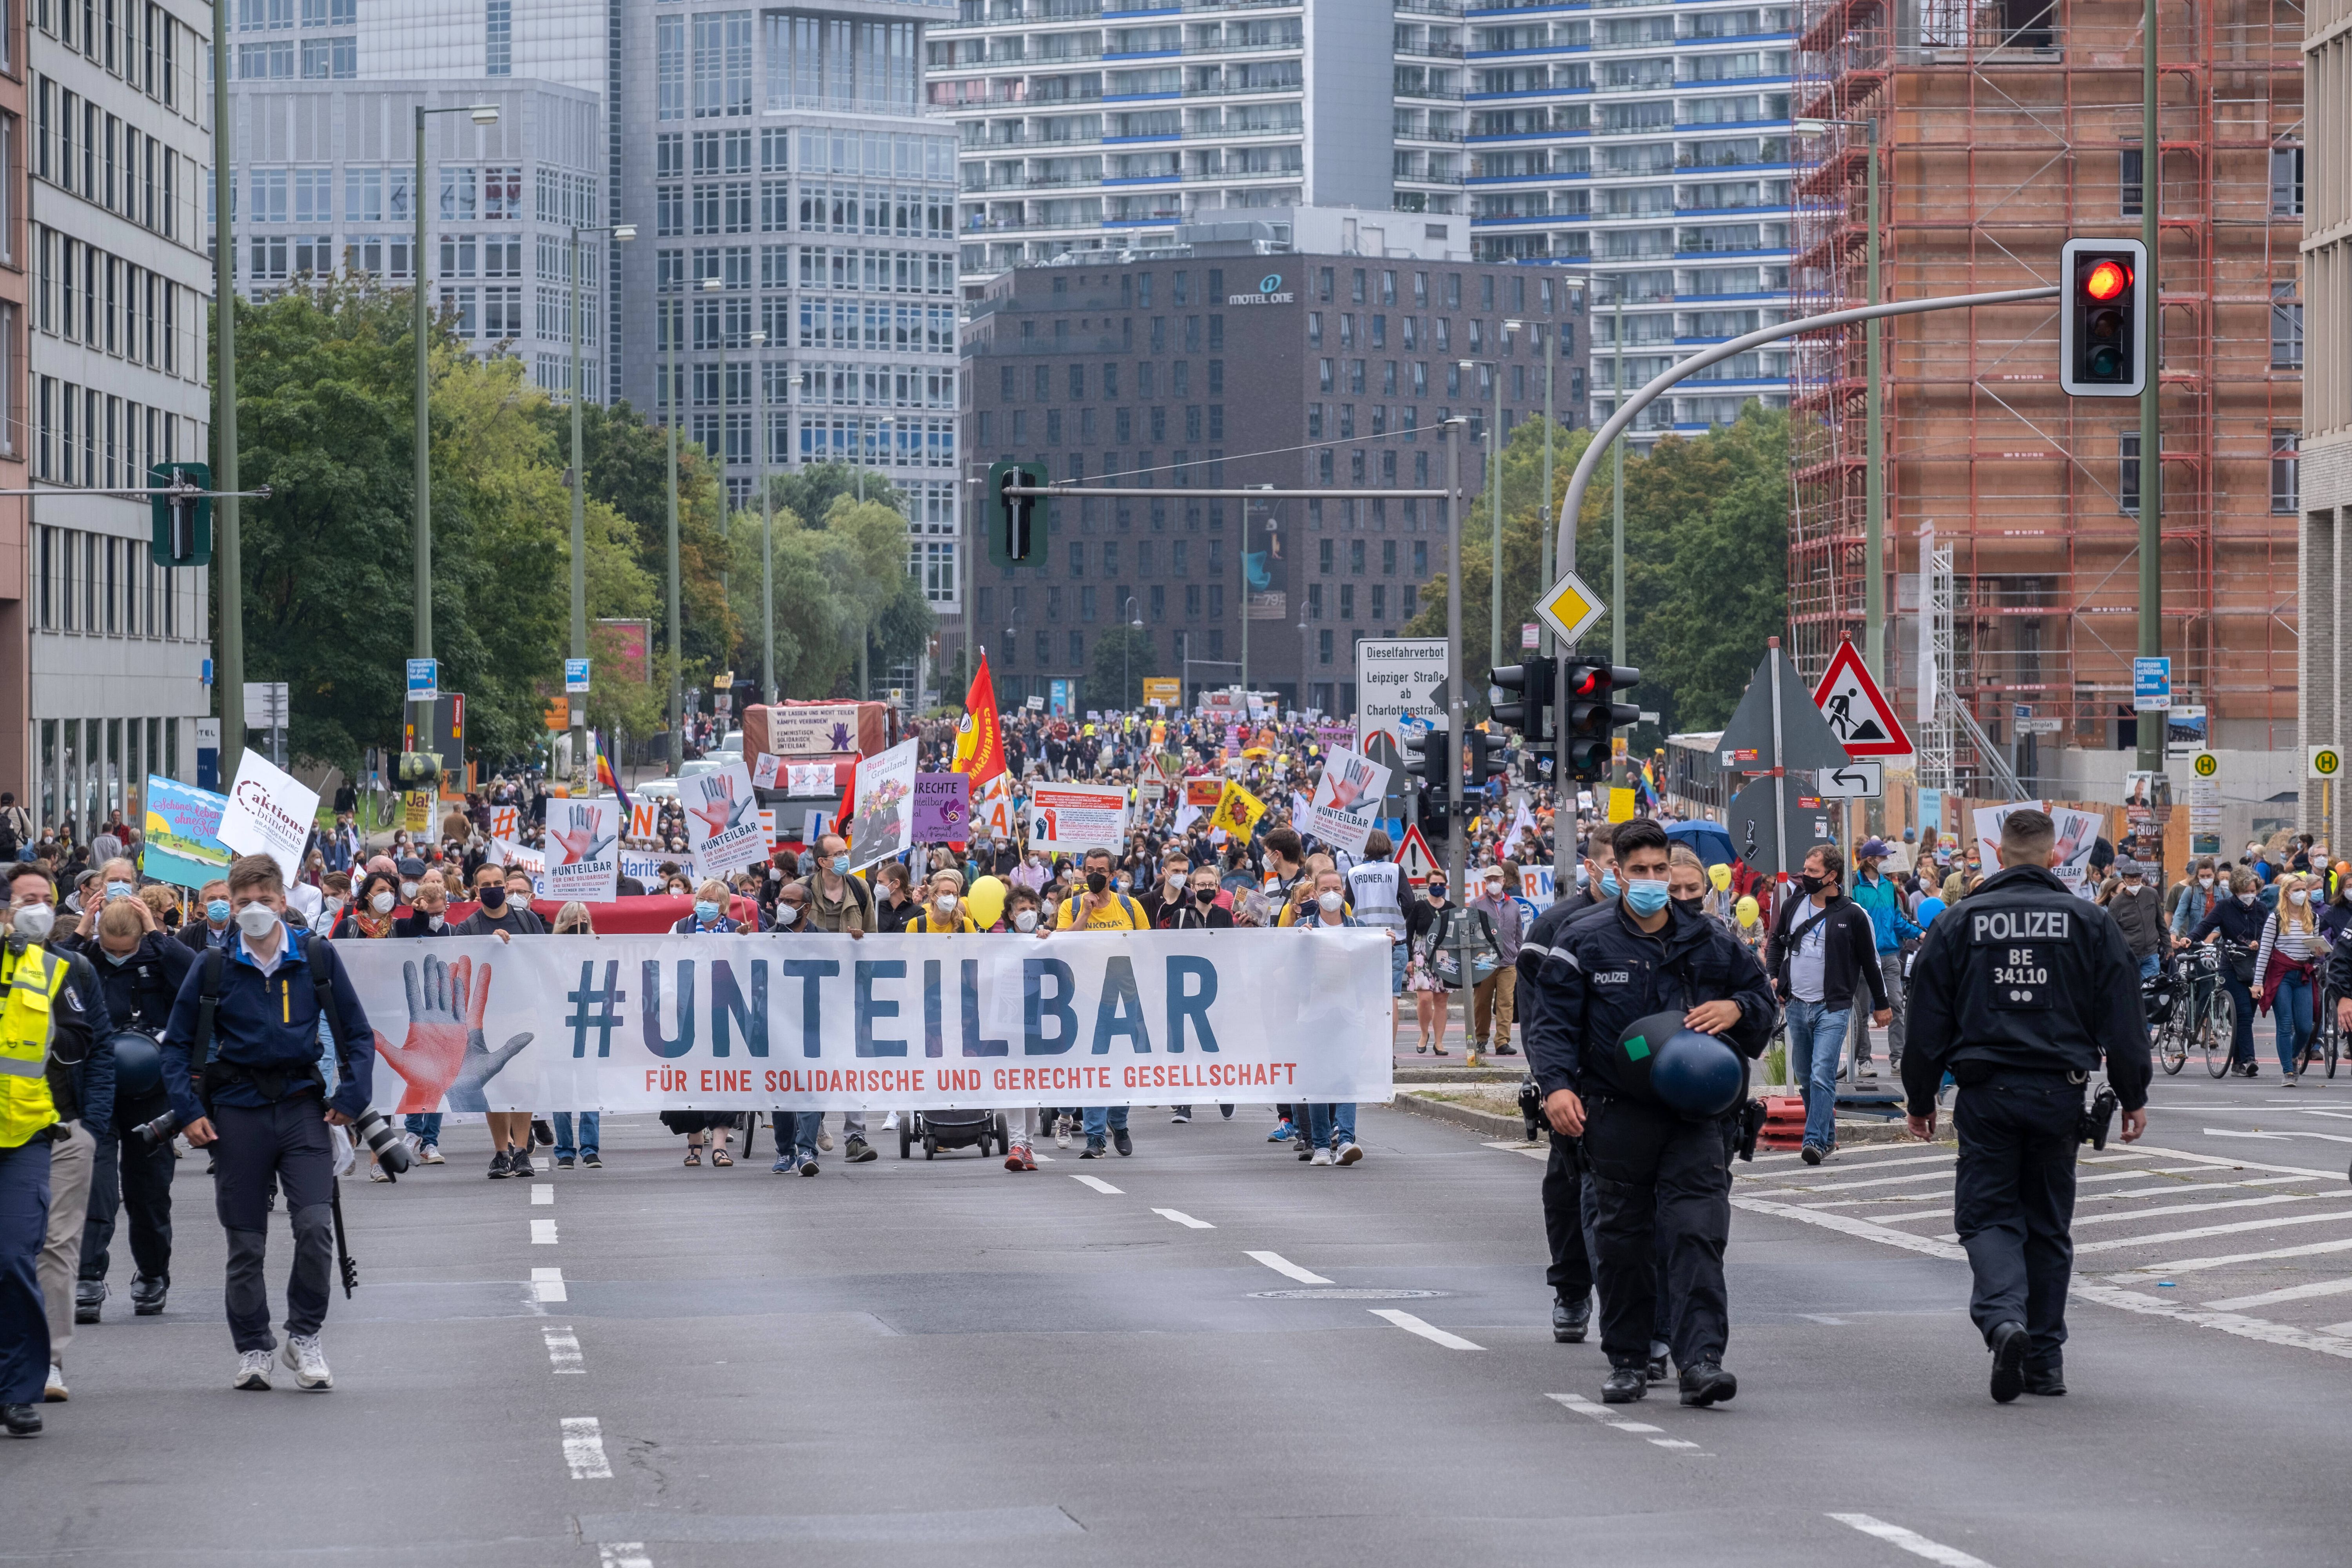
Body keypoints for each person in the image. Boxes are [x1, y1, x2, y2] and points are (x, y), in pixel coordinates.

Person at [1518, 818, 1777, 1406]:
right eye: (1641, 872)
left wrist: (1738, 1009)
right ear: (1619, 874)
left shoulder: (1711, 939)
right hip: (1618, 1114)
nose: (1654, 881)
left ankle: (1701, 1362)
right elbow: (1551, 1026)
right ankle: (1630, 1360)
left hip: (1696, 1117)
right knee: (1624, 1243)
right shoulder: (1583, 940)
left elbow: (1762, 1000)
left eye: (1662, 870)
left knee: (1696, 1235)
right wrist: (1556, 1088)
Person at [1900, 808, 2152, 1403]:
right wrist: (2135, 1093)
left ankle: (2003, 1320)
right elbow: (2123, 1018)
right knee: (2047, 1226)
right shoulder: (2089, 922)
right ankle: (2044, 1362)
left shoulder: (1960, 921)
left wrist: (1919, 1098)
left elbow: (1926, 1024)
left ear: (1995, 851)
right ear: (2056, 857)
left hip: (1987, 1093)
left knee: (1987, 1218)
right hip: (2058, 1093)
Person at [157, 853, 376, 1394]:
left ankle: (304, 1335)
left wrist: (352, 1096)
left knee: (315, 1227)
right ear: (230, 906)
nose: (254, 910)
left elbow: (358, 1032)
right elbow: (177, 1044)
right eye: (243, 902)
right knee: (246, 1242)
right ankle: (254, 1347)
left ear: (283, 901)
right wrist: (189, 1112)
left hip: (303, 1105)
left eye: (264, 899)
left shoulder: (316, 957)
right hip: (236, 1109)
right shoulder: (213, 966)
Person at [72, 898, 191, 1323]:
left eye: (127, 949)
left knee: (149, 1192)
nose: (118, 956)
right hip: (98, 1091)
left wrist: (157, 935)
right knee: (94, 1185)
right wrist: (83, 929)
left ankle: (154, 1273)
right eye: (111, 948)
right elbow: (53, 970)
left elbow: (196, 978)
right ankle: (87, 1275)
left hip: (152, 1093)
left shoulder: (159, 960)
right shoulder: (84, 962)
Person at [1764, 843, 1891, 1164]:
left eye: (1813, 872)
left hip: (1833, 1006)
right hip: (1796, 1004)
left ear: (1832, 875)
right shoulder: (1795, 904)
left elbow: (1870, 962)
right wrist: (1774, 976)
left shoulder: (1853, 915)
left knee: (1822, 1074)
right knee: (1805, 1076)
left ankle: (1815, 1142)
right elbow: (1778, 943)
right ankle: (1829, 1135)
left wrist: (1881, 1003)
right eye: (1805, 870)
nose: (1805, 876)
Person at [457, 865, 546, 1177]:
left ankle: (521, 1151)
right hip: (486, 1017)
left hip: (524, 1011)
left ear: (507, 886)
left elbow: (544, 958)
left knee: (523, 1083)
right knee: (493, 1084)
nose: (493, 888)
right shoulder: (469, 927)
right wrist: (488, 947)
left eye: (498, 883)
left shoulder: (527, 919)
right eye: (486, 885)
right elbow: (462, 968)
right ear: (476, 890)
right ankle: (500, 1152)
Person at [1293, 869, 1365, 1166]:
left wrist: (1382, 942)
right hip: (1313, 1014)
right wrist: (1299, 942)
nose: (1331, 893)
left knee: (1347, 1075)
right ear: (1316, 894)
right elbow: (1288, 966)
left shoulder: (1358, 928)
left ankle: (1346, 1140)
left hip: (1348, 1012)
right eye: (1325, 888)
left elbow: (1369, 964)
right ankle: (1322, 1146)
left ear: (1344, 893)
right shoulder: (1302, 927)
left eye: (1336, 887)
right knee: (1318, 1078)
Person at [1846, 838, 1922, 1074]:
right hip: (1862, 959)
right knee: (1862, 1010)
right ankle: (1864, 1060)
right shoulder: (1853, 888)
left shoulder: (1890, 888)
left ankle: (1899, 1057)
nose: (1887, 861)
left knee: (1896, 1005)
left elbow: (1898, 921)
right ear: (1870, 861)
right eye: (1883, 857)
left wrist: (1920, 934)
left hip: (1889, 956)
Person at [2191, 869, 2269, 1075]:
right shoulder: (2225, 907)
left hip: (2255, 967)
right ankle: (2250, 1060)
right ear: (2236, 891)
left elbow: (2271, 935)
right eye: (2246, 891)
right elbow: (2206, 925)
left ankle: (2237, 1063)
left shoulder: (2261, 909)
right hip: (2231, 965)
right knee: (2243, 1013)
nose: (2250, 895)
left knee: (2247, 1017)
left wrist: (2259, 943)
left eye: (2253, 890)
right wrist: (2190, 939)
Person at [2251, 873, 2326, 1083]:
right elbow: (2265, 951)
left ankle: (2293, 1055)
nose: (2302, 894)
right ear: (2286, 894)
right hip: (2281, 975)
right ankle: (2288, 1071)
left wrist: (2319, 953)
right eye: (2297, 890)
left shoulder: (2313, 918)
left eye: (2304, 890)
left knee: (2305, 1027)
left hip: (2303, 975)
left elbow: (2314, 950)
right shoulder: (2276, 919)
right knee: (2285, 1023)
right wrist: (2258, 982)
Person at [547, 902, 602, 1169]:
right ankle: (565, 1150)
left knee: (589, 1093)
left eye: (584, 918)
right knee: (561, 1097)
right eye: (575, 919)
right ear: (563, 922)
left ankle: (590, 1149)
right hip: (558, 1032)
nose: (580, 923)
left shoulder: (597, 948)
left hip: (587, 1031)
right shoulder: (549, 952)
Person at [1468, 864, 1523, 1058]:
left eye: (1496, 879)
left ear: (1503, 881)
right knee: (1482, 1003)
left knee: (1506, 1002)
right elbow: (1472, 931)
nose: (1493, 883)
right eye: (1489, 880)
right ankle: (1481, 1038)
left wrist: (1518, 952)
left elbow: (1519, 934)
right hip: (1484, 962)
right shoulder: (1477, 904)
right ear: (1485, 882)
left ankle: (1502, 1042)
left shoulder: (1514, 905)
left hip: (1508, 961)